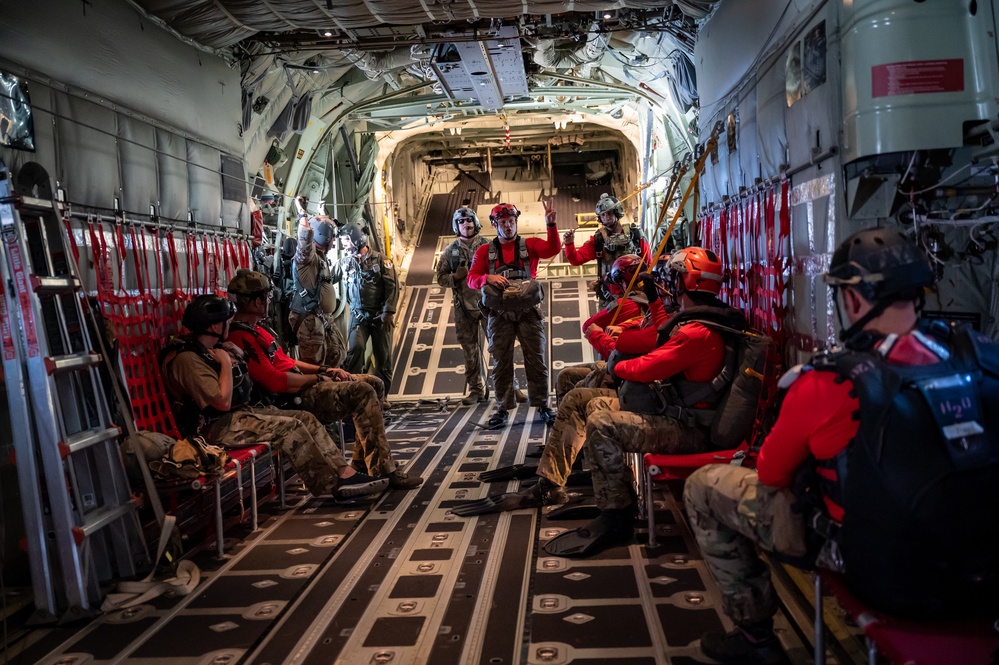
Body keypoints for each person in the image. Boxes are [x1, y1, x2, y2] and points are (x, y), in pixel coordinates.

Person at [683, 228, 999, 665]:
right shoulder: (983, 358)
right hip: (987, 574)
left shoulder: (830, 381)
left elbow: (773, 475)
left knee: (703, 487)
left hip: (887, 573)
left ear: (851, 300)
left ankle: (755, 637)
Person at [543, 247, 737, 557]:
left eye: (674, 279)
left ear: (686, 283)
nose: (669, 285)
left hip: (688, 428)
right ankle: (610, 494)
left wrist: (615, 366)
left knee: (603, 423)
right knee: (598, 410)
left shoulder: (696, 333)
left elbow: (647, 367)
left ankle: (618, 514)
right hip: (682, 416)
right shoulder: (701, 325)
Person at [451, 265, 669, 517]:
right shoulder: (660, 314)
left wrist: (619, 342)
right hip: (643, 387)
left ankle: (556, 481)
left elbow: (637, 346)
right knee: (568, 378)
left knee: (582, 398)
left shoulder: (671, 319)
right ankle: (566, 459)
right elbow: (643, 338)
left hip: (655, 398)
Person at [160, 294, 388, 501]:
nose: (230, 323)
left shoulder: (214, 350)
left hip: (238, 416)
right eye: (226, 320)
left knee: (304, 418)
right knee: (290, 428)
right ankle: (331, 484)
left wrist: (232, 357)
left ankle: (344, 474)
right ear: (214, 325)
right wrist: (226, 365)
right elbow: (221, 402)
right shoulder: (188, 360)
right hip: (216, 427)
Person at [224, 269, 423, 490]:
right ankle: (384, 470)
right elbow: (275, 382)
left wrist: (325, 369)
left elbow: (287, 361)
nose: (270, 300)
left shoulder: (259, 330)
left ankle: (364, 465)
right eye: (267, 297)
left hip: (303, 383)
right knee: (362, 391)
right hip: (290, 397)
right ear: (255, 302)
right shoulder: (240, 337)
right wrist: (316, 378)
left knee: (374, 383)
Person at [466, 199, 561, 427]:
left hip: (528, 313)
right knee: (501, 363)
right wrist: (487, 277)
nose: (508, 226)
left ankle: (543, 406)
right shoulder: (484, 252)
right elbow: (471, 279)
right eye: (503, 222)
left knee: (536, 360)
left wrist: (551, 225)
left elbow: (552, 249)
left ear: (516, 222)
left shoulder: (529, 246)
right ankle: (502, 409)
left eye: (511, 221)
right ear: (495, 225)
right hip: (499, 315)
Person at [331, 221, 399, 390]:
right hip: (358, 316)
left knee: (383, 358)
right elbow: (328, 278)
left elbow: (392, 286)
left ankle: (382, 396)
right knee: (356, 349)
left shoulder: (382, 261)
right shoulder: (344, 263)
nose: (343, 245)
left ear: (356, 238)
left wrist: (388, 312)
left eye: (346, 240)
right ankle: (353, 390)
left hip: (379, 317)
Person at [435, 207, 490, 405]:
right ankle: (476, 389)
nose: (466, 224)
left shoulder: (488, 246)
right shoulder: (451, 252)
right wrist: (455, 277)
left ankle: (509, 386)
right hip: (464, 308)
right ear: (456, 226)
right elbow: (440, 278)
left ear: (475, 222)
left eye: (469, 220)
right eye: (461, 221)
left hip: (488, 305)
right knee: (470, 350)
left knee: (501, 347)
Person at [288, 196, 348, 369]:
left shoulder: (321, 258)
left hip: (322, 317)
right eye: (332, 239)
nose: (334, 242)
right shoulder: (306, 258)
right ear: (323, 238)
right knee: (314, 365)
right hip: (309, 320)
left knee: (337, 354)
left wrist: (323, 214)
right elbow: (305, 240)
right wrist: (302, 214)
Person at [563, 193, 651, 309]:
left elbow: (649, 264)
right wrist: (569, 243)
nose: (606, 217)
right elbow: (576, 260)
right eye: (603, 215)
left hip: (637, 295)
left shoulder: (635, 235)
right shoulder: (598, 240)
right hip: (610, 298)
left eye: (609, 213)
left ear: (617, 212)